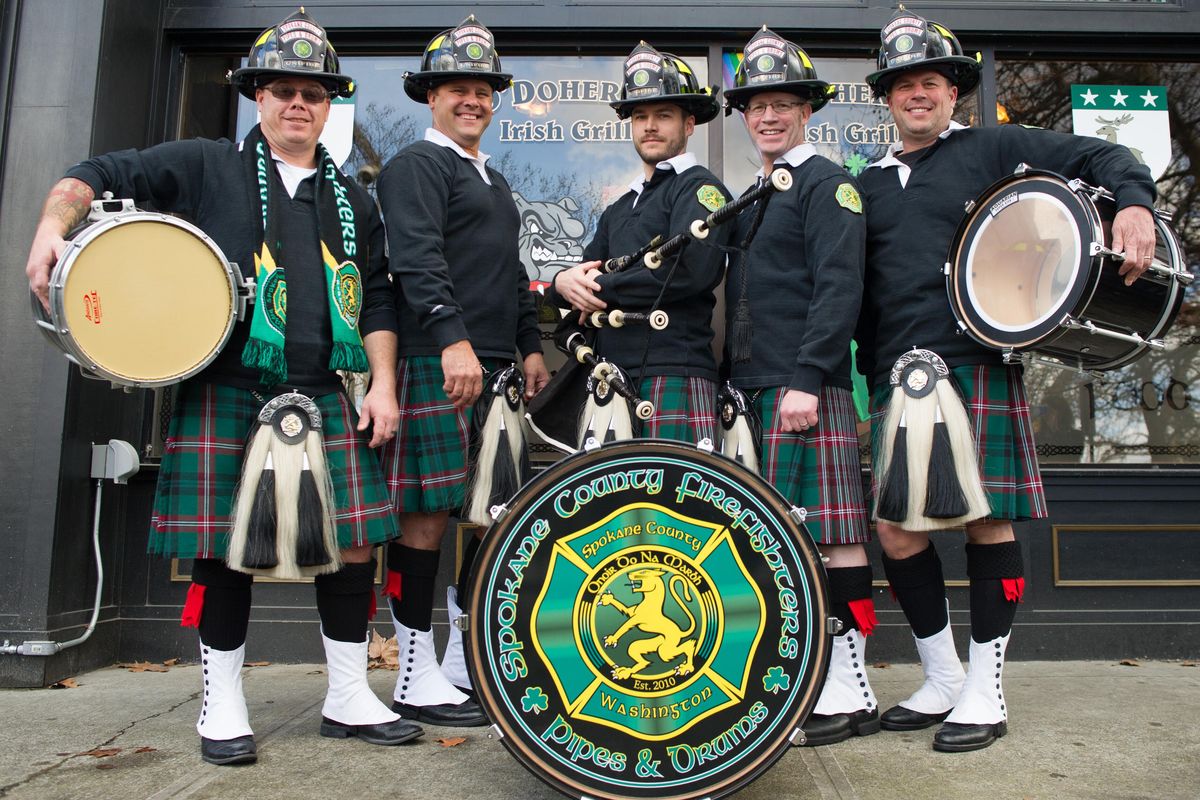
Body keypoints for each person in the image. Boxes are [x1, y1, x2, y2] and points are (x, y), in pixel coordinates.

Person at [24, 8, 421, 765]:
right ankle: (222, 700)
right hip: (228, 388)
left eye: (313, 92)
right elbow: (102, 174)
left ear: (330, 102)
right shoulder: (209, 165)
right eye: (282, 90)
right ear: (257, 97)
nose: (297, 103)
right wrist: (53, 224)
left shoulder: (355, 199)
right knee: (220, 554)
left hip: (328, 392)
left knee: (353, 548)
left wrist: (382, 387)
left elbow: (376, 298)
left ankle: (346, 693)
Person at [857, 10, 1157, 752]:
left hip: (975, 363)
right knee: (895, 532)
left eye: (930, 81)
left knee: (986, 521)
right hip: (894, 375)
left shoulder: (995, 147)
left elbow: (1101, 155)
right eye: (902, 85)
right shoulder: (865, 184)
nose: (916, 94)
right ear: (887, 99)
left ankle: (987, 691)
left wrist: (1139, 204)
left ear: (953, 91)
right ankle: (943, 677)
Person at [375, 16, 548, 727]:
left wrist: (531, 342)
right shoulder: (417, 167)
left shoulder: (495, 179)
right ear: (431, 98)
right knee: (424, 521)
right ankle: (413, 672)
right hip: (436, 363)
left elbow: (509, 274)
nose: (471, 100)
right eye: (456, 89)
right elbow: (415, 259)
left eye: (482, 90)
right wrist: (451, 339)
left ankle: (458, 664)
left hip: (497, 369)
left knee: (482, 521)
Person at [721, 27, 878, 747]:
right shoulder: (757, 191)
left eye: (783, 103)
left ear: (807, 110)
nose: (769, 117)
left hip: (802, 390)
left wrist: (810, 378)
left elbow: (839, 288)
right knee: (782, 541)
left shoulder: (827, 183)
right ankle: (813, 676)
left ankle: (851, 684)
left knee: (836, 536)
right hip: (755, 389)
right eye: (757, 107)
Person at [547, 42, 731, 445]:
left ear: (688, 124)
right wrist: (561, 282)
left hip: (676, 371)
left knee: (679, 505)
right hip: (609, 373)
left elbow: (686, 271)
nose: (650, 125)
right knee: (608, 507)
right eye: (640, 116)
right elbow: (584, 273)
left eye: (663, 115)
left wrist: (597, 290)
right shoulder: (618, 208)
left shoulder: (701, 188)